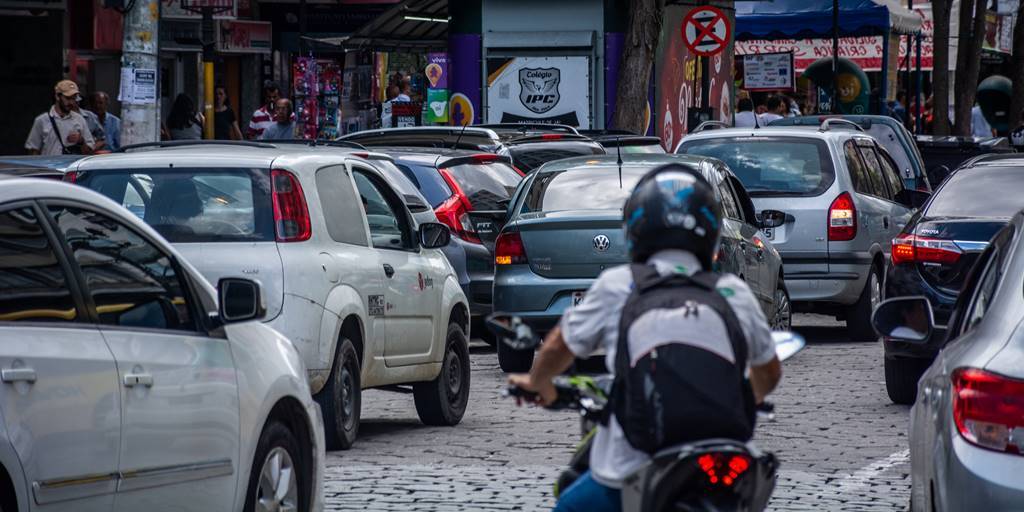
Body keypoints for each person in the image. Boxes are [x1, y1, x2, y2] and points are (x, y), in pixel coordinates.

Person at [508, 164, 782, 512]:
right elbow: (769, 372)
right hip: (723, 458)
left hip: (632, 464)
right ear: (710, 234)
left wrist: (538, 382)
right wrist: (745, 397)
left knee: (570, 506)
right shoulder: (733, 292)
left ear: (636, 229)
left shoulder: (620, 283)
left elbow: (560, 344)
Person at [25, 79, 96, 156]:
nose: (71, 102)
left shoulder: (79, 119)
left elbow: (90, 151)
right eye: (68, 98)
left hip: (71, 167)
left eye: (74, 98)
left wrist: (81, 141)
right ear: (57, 96)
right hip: (48, 166)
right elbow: (33, 150)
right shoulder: (42, 121)